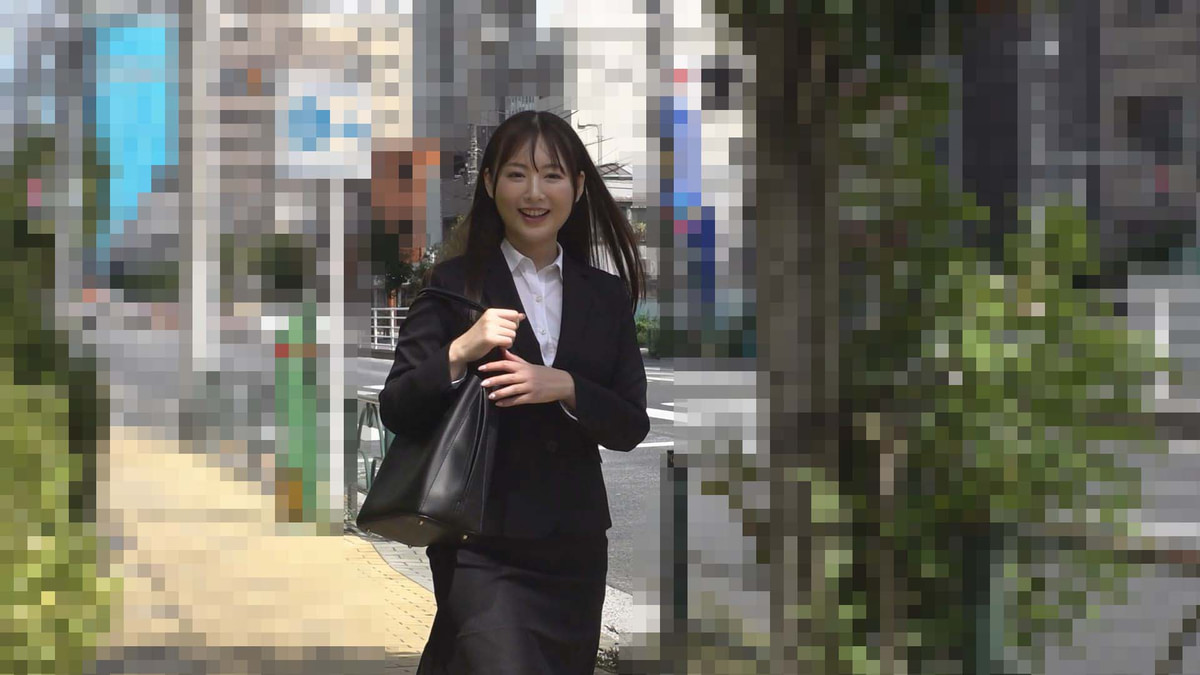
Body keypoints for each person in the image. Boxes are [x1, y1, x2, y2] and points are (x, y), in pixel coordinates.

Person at [377, 110, 650, 675]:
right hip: (479, 540)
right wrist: (460, 350)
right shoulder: (455, 285)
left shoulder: (605, 295)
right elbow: (398, 405)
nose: (534, 193)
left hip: (573, 544)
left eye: (552, 175)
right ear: (490, 183)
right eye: (517, 174)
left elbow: (630, 424)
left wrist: (566, 387)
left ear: (578, 186)